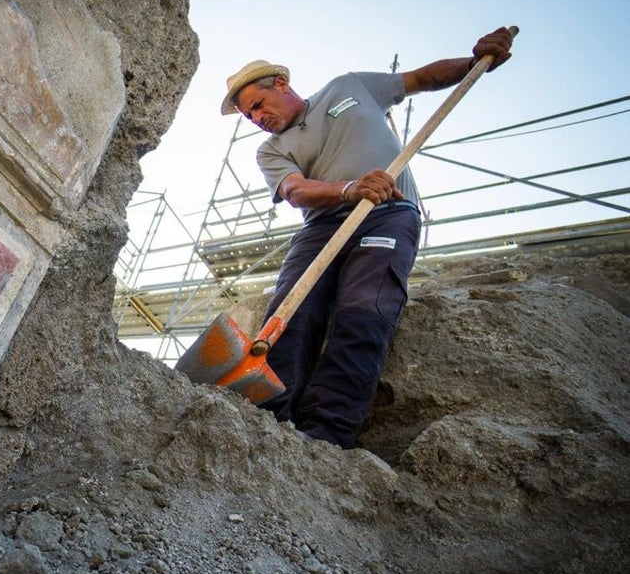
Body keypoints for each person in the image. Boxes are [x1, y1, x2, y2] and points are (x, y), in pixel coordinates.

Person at [220, 27, 515, 448]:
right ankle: (274, 425)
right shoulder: (271, 149)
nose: (257, 119)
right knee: (290, 315)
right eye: (249, 116)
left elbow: (422, 79)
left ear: (281, 84)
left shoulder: (348, 86)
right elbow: (295, 191)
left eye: (257, 105)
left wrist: (473, 63)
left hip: (388, 214)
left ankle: (326, 435)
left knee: (364, 312)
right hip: (322, 226)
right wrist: (349, 188)